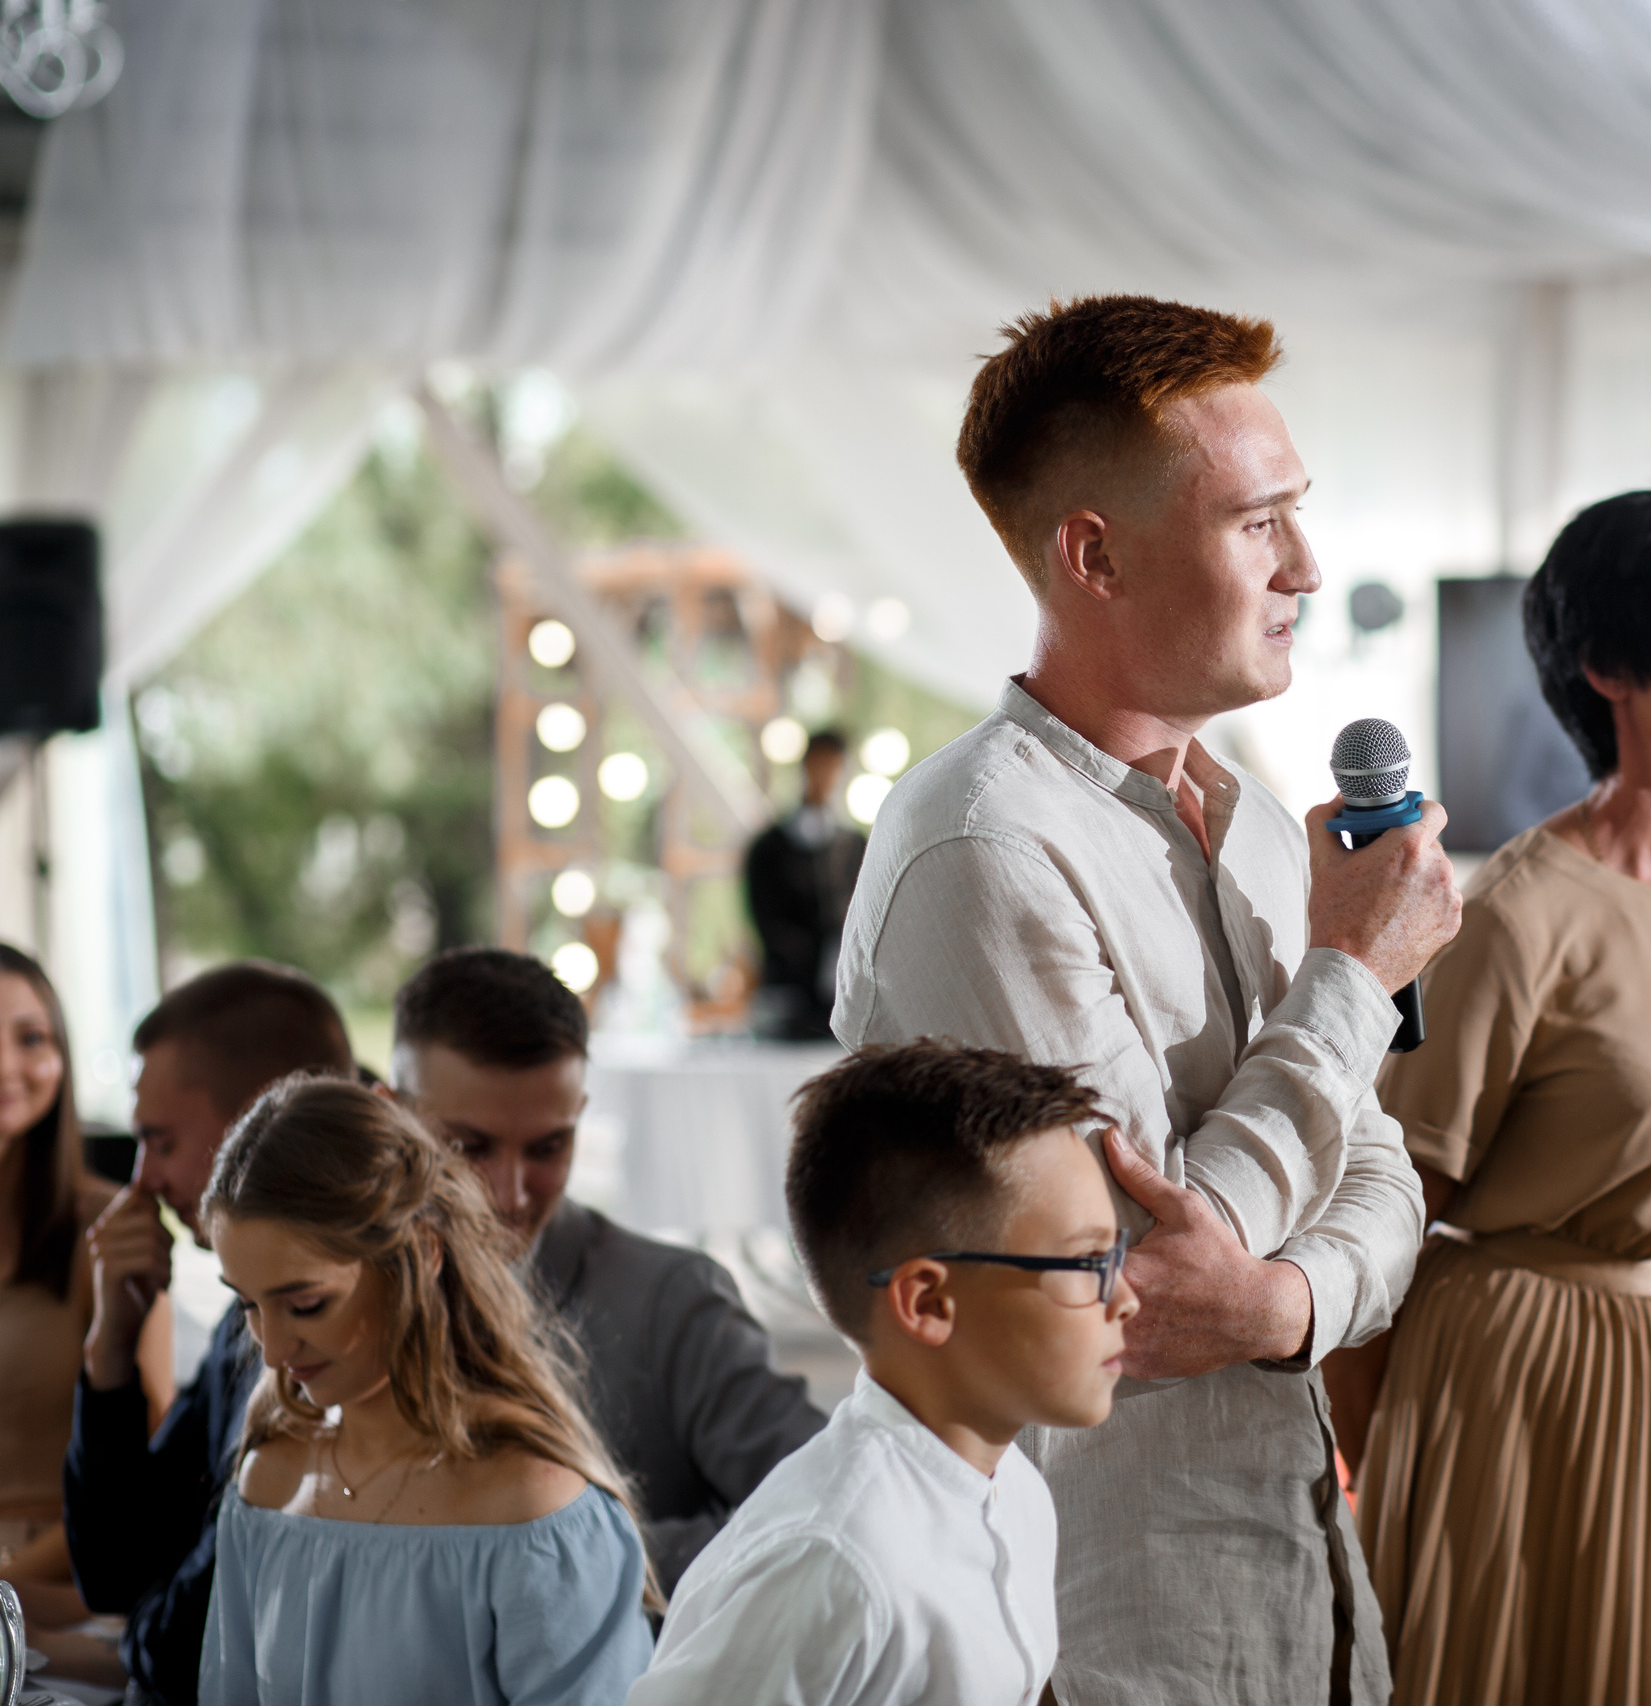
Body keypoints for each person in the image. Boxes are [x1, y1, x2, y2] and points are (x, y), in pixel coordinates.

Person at [834, 294, 1462, 1704]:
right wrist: (1353, 976)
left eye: (1300, 511)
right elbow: (1147, 1270)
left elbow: (1382, 1177)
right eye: (1258, 522)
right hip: (1094, 1622)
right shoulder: (983, 844)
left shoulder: (1239, 814)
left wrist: (1291, 1298)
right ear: (1093, 552)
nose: (1307, 562)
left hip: (1297, 1579)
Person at [1341, 486, 1651, 1706]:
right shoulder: (1515, 912)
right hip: (1515, 1396)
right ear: (1611, 663)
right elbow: (1379, 1223)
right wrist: (1395, 1468)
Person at [633, 1041, 1139, 1705]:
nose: (1125, 1295)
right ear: (928, 1302)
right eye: (1087, 1262)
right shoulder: (833, 1560)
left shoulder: (1015, 1489)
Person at [195, 1074, 650, 1705]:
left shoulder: (530, 1508)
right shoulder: (268, 1482)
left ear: (420, 1253)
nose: (271, 1350)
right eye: (248, 1304)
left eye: (305, 1304)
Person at [390, 945, 827, 1585]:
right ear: (391, 1114)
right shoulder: (319, 1301)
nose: (509, 1193)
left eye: (549, 1147)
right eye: (468, 1147)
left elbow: (821, 1510)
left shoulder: (674, 1302)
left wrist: (565, 1557)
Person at [66, 961, 357, 1706]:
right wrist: (110, 1346)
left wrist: (118, 1632)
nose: (144, 1181)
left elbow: (176, 1645)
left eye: (159, 1140)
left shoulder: (337, 1337)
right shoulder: (248, 1313)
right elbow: (116, 1567)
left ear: (260, 1122)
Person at [0, 944, 171, 1685]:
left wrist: (5, 1575)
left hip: (63, 1580)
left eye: (31, 1037)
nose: (7, 1063)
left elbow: (148, 1453)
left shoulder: (111, 1230)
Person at [745, 726, 867, 1040]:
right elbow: (767, 921)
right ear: (805, 766)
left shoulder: (854, 847)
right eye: (820, 764)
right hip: (788, 993)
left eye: (834, 766)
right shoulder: (768, 849)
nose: (826, 775)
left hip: (841, 994)